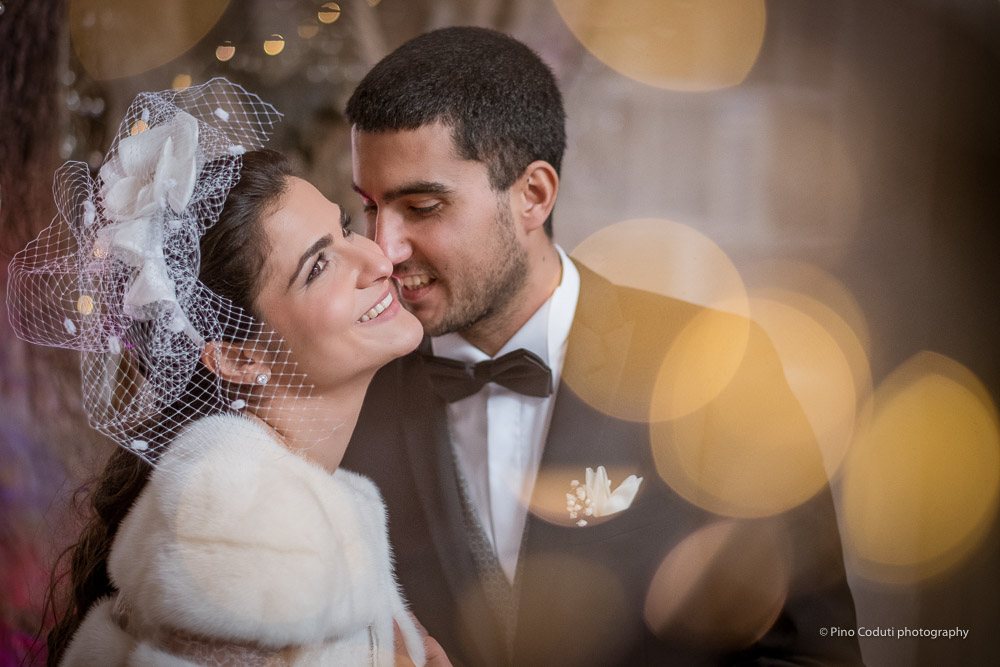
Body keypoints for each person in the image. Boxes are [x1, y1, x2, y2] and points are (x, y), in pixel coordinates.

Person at [341, 27, 866, 666]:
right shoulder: (350, 391)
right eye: (369, 208)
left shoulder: (717, 364)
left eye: (421, 207)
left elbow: (807, 649)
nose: (383, 247)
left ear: (533, 195)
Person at [9, 79, 438, 666]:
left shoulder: (274, 514)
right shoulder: (246, 555)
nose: (376, 257)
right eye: (318, 267)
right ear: (238, 355)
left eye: (343, 228)